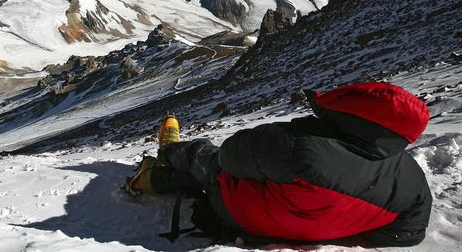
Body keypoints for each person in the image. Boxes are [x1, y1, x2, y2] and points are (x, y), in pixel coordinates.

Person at [125, 82, 432, 247]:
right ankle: (160, 170)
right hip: (296, 228)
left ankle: (164, 156)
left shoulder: (300, 146)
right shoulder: (413, 180)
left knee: (204, 157)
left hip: (242, 213)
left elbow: (230, 156)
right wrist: (333, 228)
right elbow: (408, 236)